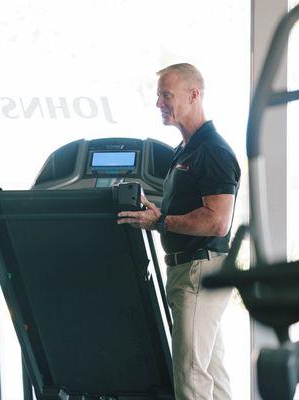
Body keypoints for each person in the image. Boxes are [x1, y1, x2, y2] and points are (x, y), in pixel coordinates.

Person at [117, 63, 240, 400]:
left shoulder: (212, 151)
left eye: (166, 95)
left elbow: (217, 221)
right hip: (190, 268)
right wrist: (155, 211)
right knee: (210, 373)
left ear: (193, 95)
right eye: (158, 95)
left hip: (199, 270)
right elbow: (184, 209)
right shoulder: (185, 151)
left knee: (190, 378)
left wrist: (160, 221)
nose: (159, 103)